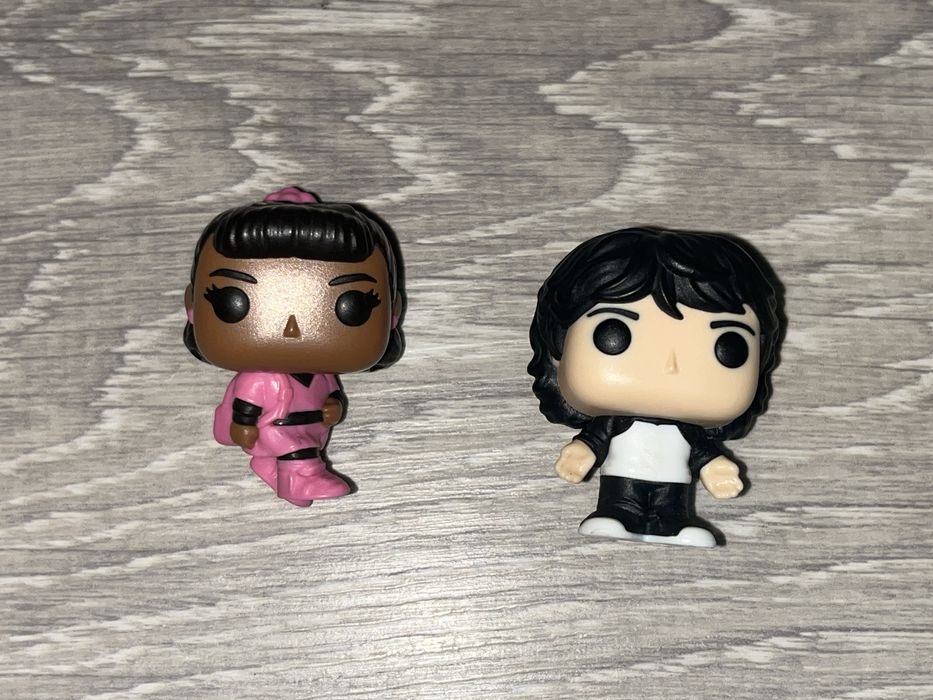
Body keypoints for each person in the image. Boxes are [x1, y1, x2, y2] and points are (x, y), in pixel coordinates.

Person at [528, 227, 781, 546]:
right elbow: (595, 440)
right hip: (621, 481)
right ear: (558, 343)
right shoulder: (613, 423)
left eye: (729, 346)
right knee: (621, 502)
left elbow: (703, 453)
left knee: (671, 507)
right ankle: (617, 515)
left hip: (674, 485)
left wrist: (716, 467)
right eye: (614, 333)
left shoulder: (690, 432)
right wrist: (582, 451)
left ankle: (675, 523)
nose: (671, 365)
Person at [184, 186, 404, 507]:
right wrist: (243, 426)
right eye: (231, 301)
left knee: (301, 448)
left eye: (353, 305)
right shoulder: (258, 380)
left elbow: (331, 397)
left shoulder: (323, 377)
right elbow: (246, 407)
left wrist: (334, 407)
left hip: (309, 430)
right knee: (296, 452)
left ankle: (283, 474)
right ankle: (300, 480)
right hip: (274, 432)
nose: (292, 328)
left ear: (393, 314)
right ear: (191, 307)